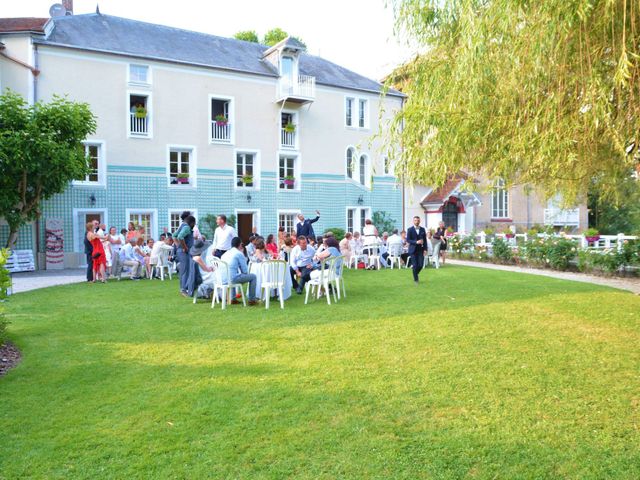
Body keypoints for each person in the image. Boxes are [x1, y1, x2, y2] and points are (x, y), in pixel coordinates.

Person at [220, 237, 258, 305]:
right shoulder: (239, 253)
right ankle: (252, 300)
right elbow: (245, 271)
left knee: (233, 274)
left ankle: (233, 298)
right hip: (231, 279)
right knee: (253, 277)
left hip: (222, 279)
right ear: (240, 244)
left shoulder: (224, 254)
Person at [174, 212, 195, 295]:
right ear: (192, 222)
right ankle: (183, 290)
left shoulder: (182, 226)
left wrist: (178, 245)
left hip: (181, 251)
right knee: (185, 271)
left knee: (185, 270)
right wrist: (184, 247)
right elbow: (180, 237)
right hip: (184, 252)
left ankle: (185, 288)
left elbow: (174, 235)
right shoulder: (186, 227)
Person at [407, 216, 427, 283]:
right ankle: (416, 279)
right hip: (413, 250)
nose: (417, 222)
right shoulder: (410, 229)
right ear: (413, 221)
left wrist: (425, 249)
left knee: (421, 265)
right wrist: (416, 242)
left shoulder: (422, 229)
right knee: (415, 265)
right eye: (415, 220)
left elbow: (425, 240)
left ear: (419, 221)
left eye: (418, 220)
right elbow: (408, 240)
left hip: (420, 250)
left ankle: (415, 273)